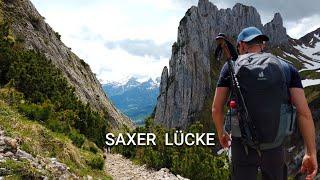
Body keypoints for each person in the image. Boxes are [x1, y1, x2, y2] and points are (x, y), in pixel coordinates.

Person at [212, 27, 318, 180]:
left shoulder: (231, 67)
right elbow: (304, 113)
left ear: (241, 46)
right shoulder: (287, 68)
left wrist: (221, 132)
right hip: (274, 148)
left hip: (242, 149)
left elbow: (216, 109)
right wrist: (310, 152)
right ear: (262, 45)